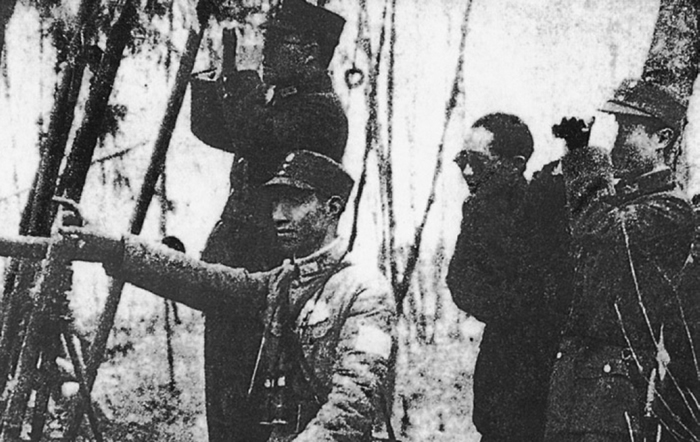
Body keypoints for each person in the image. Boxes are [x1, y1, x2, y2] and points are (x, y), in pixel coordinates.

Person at [61, 151, 397, 442]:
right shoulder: (280, 284)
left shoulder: (364, 292)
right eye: (275, 202)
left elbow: (353, 405)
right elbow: (201, 281)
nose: (278, 215)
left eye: (294, 201)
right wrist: (113, 248)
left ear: (332, 208)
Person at [189, 1, 349, 439]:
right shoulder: (281, 101)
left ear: (310, 53)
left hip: (271, 272)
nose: (265, 50)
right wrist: (219, 65)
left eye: (277, 42)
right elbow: (212, 127)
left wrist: (243, 74)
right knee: (226, 397)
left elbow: (254, 136)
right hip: (239, 263)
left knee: (254, 403)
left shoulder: (321, 112)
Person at [546, 79, 700, 441]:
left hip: (616, 389)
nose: (614, 140)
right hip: (575, 382)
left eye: (627, 129)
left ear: (662, 138)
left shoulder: (670, 208)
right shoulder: (617, 196)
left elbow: (599, 226)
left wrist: (586, 159)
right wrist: (575, 157)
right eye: (615, 126)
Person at [447, 113, 574, 441]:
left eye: (478, 161)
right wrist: (512, 305)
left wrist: (516, 304)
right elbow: (460, 282)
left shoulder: (546, 209)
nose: (468, 172)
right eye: (462, 160)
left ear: (515, 165)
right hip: (499, 374)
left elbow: (552, 294)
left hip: (543, 374)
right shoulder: (477, 211)